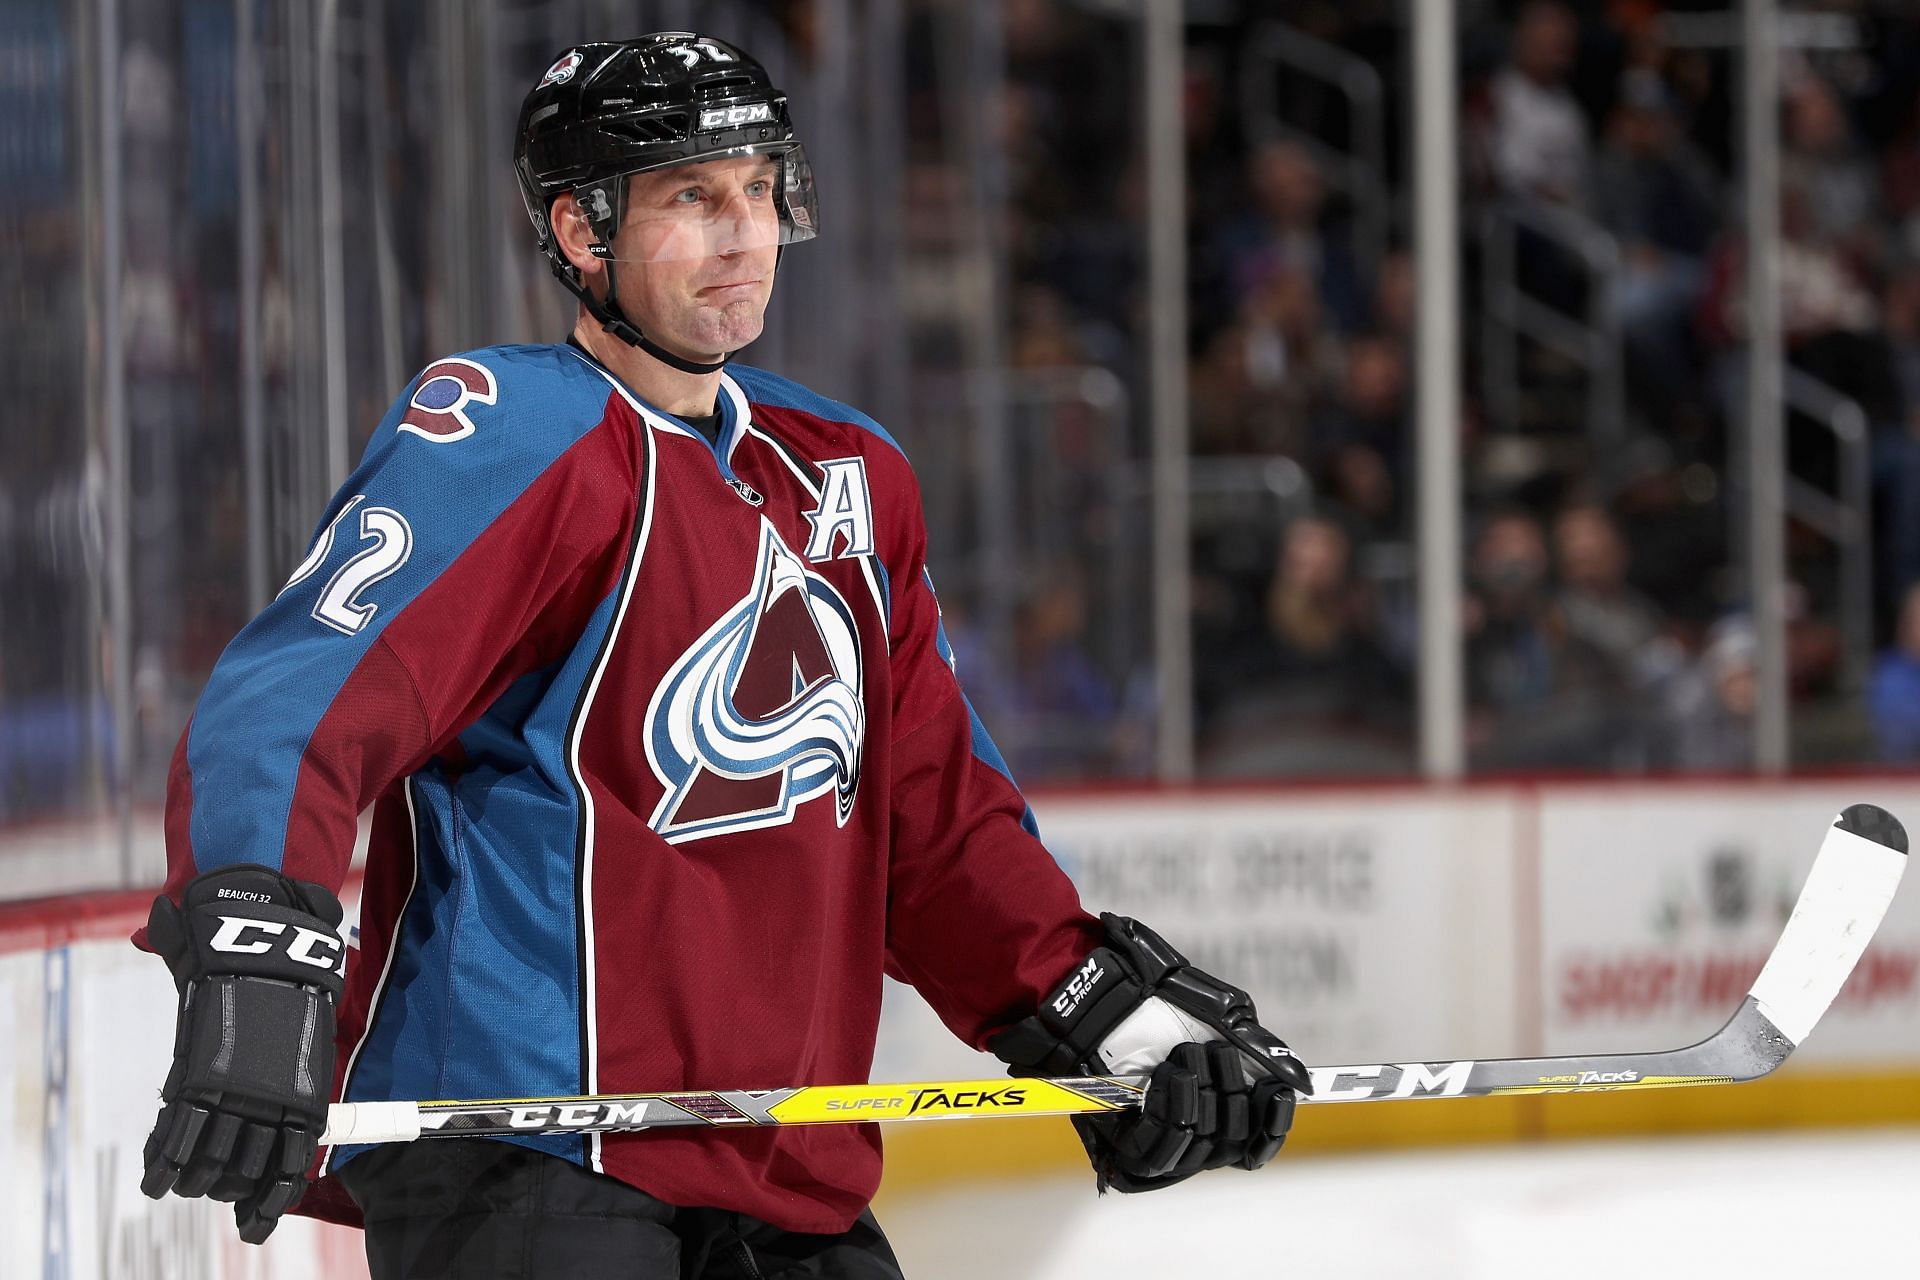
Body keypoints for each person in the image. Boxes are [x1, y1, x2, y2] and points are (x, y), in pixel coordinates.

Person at [132, 33, 1309, 1279]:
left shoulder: (843, 474)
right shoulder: (515, 434)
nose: (744, 234)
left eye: (757, 189)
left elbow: (930, 817)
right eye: (694, 197)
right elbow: (299, 700)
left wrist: (1100, 1010)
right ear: (585, 235)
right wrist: (260, 955)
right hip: (532, 1150)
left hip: (782, 1159)